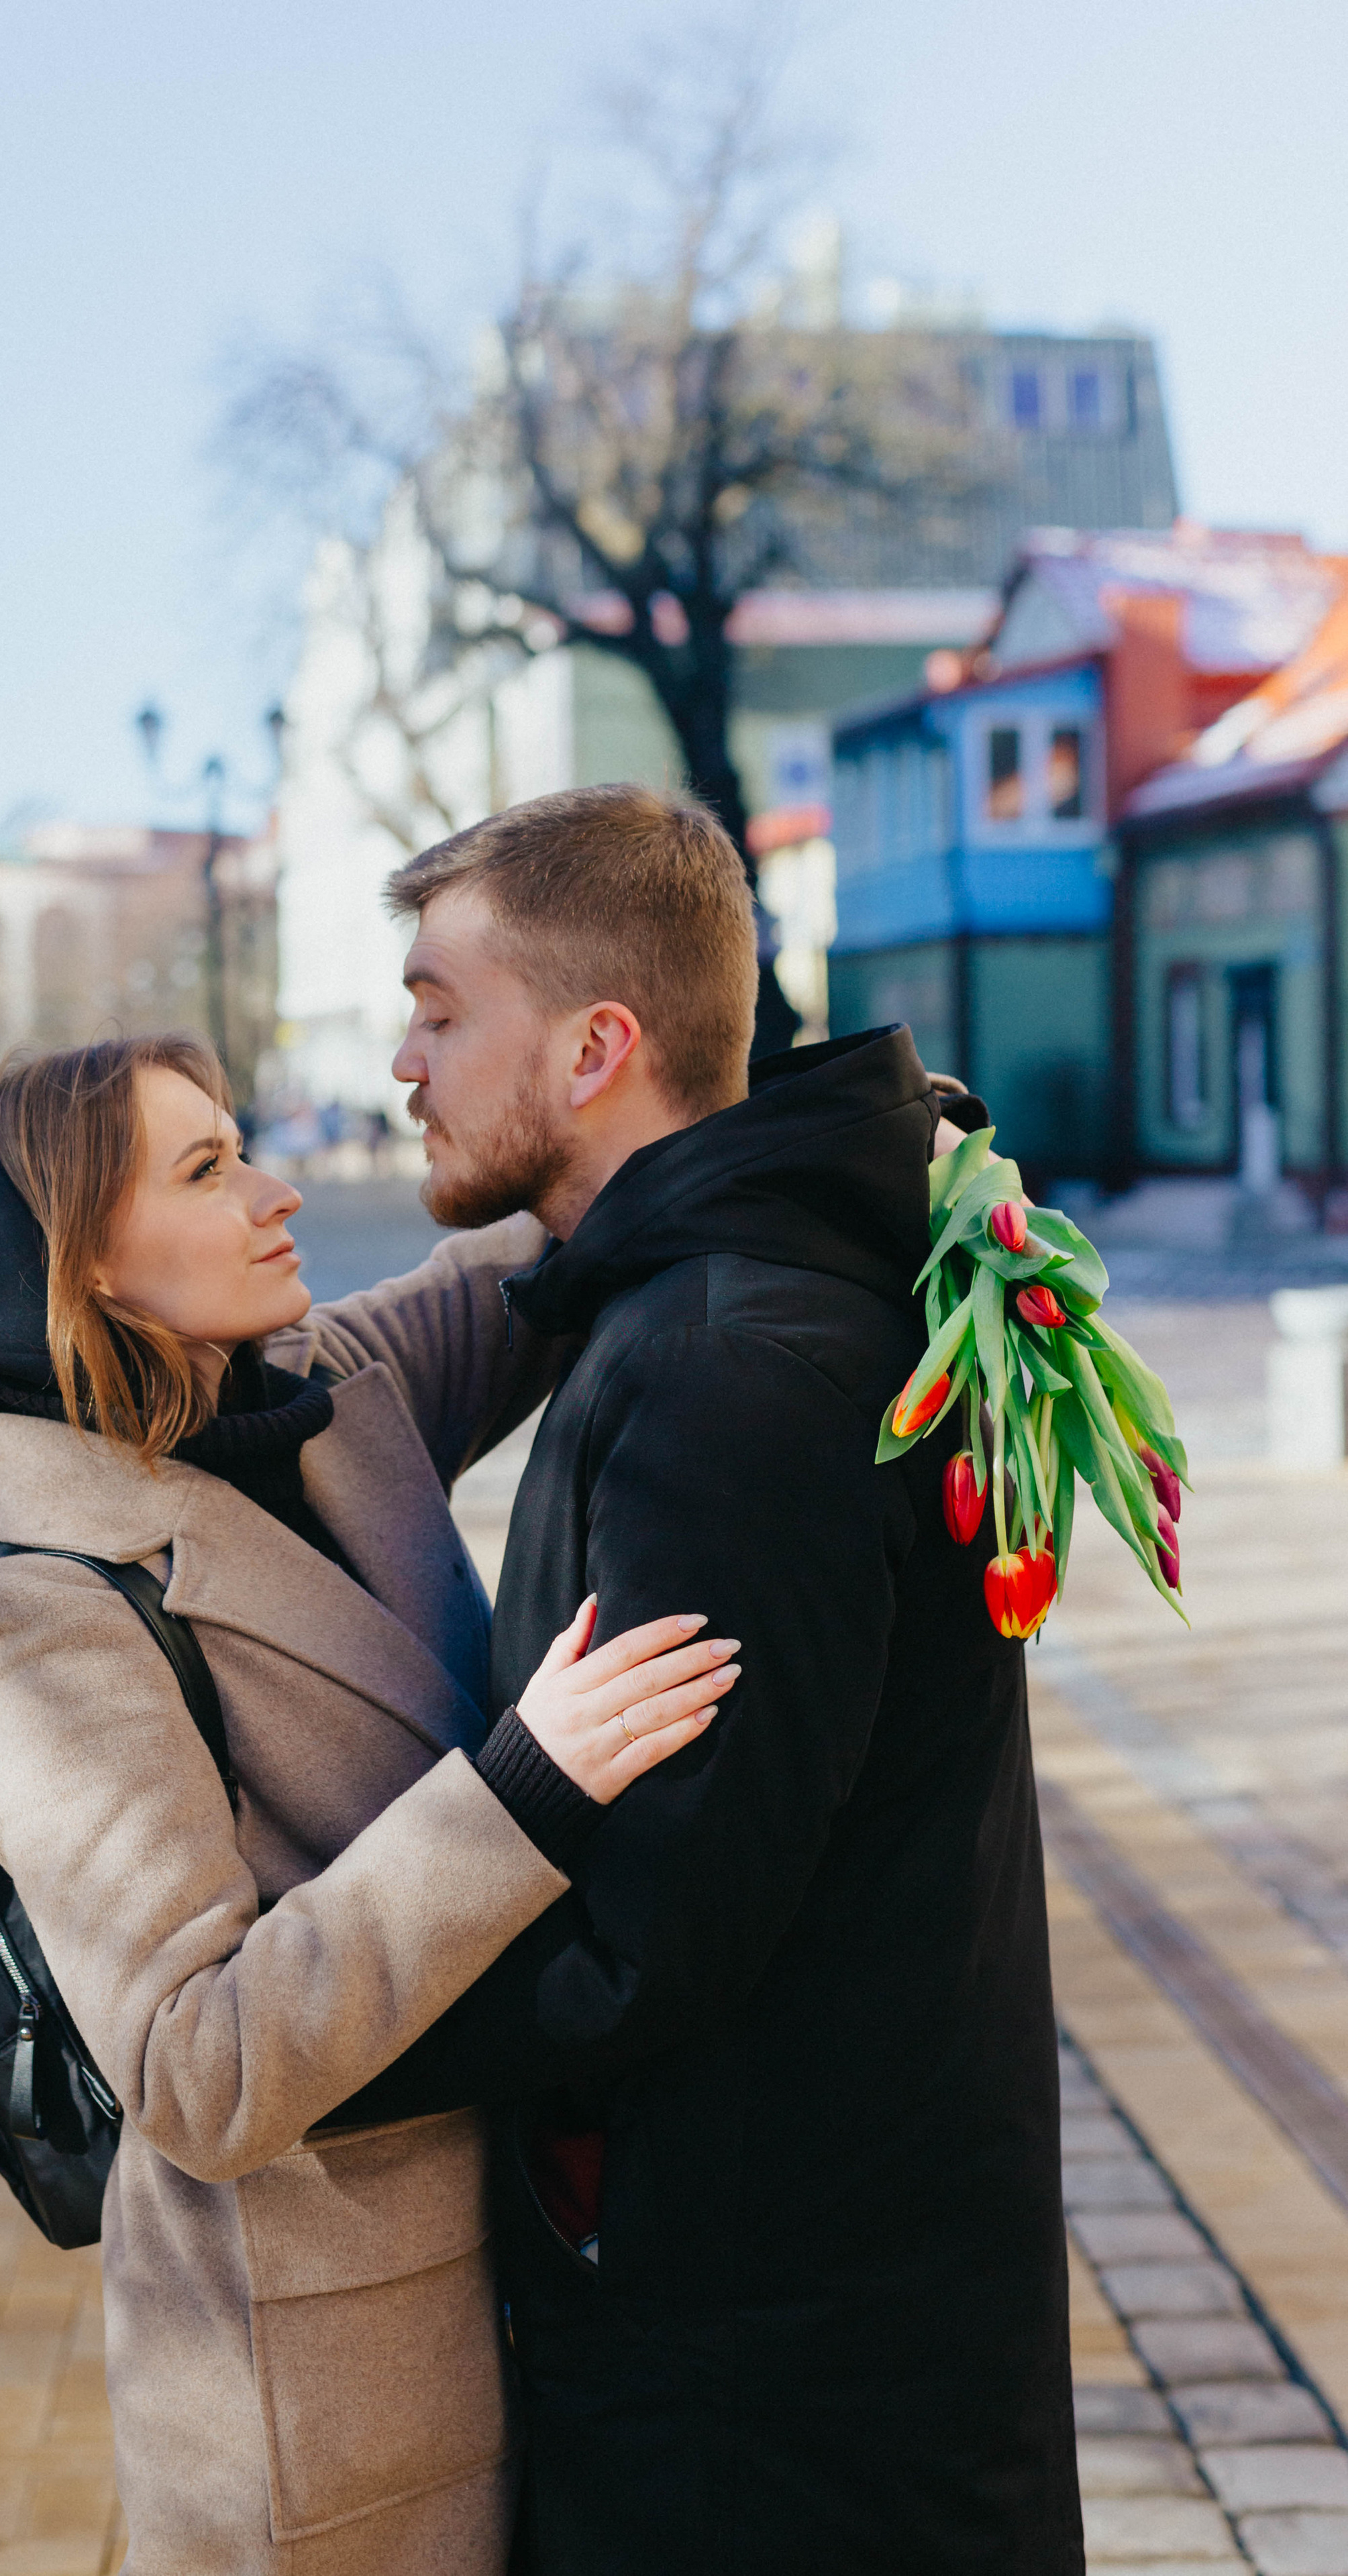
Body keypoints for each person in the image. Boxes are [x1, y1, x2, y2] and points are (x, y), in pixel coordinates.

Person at [317, 784, 1084, 2574]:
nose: (405, 1059)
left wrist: (269, 2037)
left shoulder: (728, 1375)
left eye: (442, 1009)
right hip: (817, 2334)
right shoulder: (739, 1299)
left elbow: (640, 1938)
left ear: (596, 1048)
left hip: (763, 2412)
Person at [0, 1032, 734, 2576]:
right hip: (322, 2407)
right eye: (205, 1171)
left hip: (534, 2290)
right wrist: (520, 1790)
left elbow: (557, 1215)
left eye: (240, 1144)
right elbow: (192, 2071)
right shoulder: (44, 1616)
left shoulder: (322, 1388)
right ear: (92, 1273)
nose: (274, 1193)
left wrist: (805, 1117)